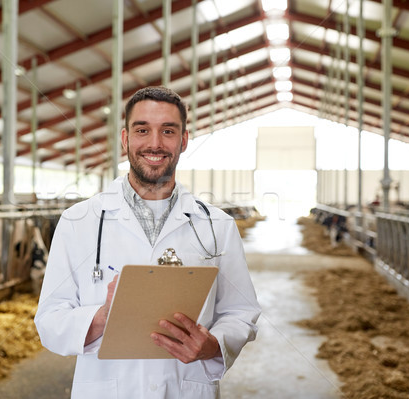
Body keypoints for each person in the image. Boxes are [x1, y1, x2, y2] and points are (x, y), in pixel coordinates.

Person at [34, 86, 261, 398]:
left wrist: (214, 345)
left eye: (168, 131)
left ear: (183, 141)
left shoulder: (217, 224)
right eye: (143, 130)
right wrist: (103, 317)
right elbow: (49, 320)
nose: (155, 143)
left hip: (187, 388)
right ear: (126, 138)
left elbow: (241, 311)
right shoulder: (79, 221)